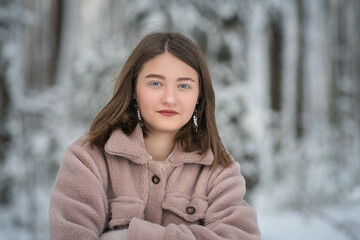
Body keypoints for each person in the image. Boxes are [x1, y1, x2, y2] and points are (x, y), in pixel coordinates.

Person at [49, 32, 261, 240]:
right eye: (155, 83)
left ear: (199, 96)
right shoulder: (87, 159)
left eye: (184, 86)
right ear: (133, 88)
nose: (169, 98)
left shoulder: (218, 171)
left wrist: (129, 237)